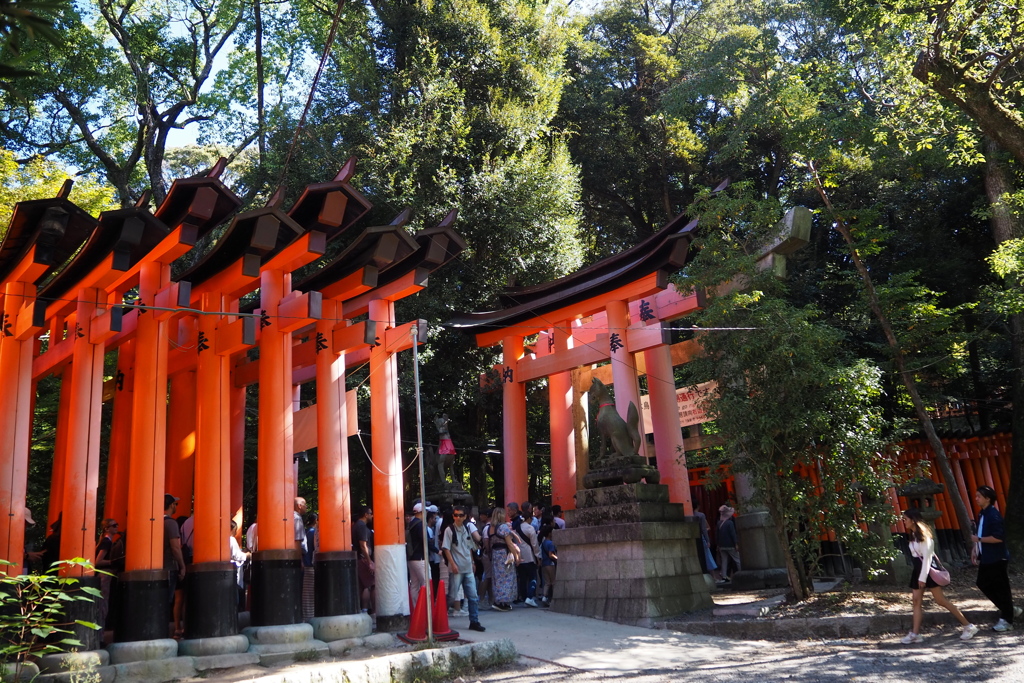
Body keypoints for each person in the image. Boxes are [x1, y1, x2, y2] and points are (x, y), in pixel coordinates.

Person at [900, 508, 977, 643]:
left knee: (940, 600)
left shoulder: (925, 538)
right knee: (916, 602)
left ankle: (968, 626)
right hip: (918, 570)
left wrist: (922, 578)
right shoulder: (912, 536)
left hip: (926, 571)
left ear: (912, 520)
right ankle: (915, 633)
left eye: (905, 519)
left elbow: (928, 559)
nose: (903, 521)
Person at [971, 485, 1020, 631]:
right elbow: (980, 533)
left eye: (979, 496)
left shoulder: (994, 515)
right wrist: (975, 549)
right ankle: (1010, 610)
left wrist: (978, 540)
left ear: (988, 499)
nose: (976, 498)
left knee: (1001, 588)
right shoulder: (982, 514)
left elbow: (998, 538)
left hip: (997, 557)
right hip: (987, 557)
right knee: (983, 583)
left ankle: (1007, 619)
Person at [441, 505, 485, 632]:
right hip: (456, 568)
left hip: (467, 567)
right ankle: (440, 620)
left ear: (465, 517)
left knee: (473, 596)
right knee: (451, 596)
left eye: (460, 515)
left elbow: (469, 546)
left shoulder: (466, 528)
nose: (458, 518)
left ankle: (474, 621)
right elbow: (446, 548)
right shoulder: (449, 530)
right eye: (456, 515)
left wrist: (472, 562)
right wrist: (453, 564)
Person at [163, 494, 186, 638]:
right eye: (175, 504)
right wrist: (182, 566)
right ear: (172, 505)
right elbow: (175, 547)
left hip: (156, 567)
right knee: (168, 600)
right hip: (169, 566)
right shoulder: (171, 523)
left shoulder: (153, 521)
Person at [488, 507, 519, 611]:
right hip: (504, 554)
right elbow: (509, 543)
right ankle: (503, 601)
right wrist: (516, 556)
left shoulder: (490, 528)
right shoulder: (503, 527)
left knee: (497, 578)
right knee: (507, 578)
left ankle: (498, 600)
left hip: (495, 554)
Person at [513, 501, 541, 607]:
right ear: (529, 519)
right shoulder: (530, 528)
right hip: (529, 556)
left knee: (522, 578)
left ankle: (524, 597)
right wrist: (538, 556)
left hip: (519, 556)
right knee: (533, 577)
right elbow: (534, 544)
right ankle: (530, 597)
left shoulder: (515, 528)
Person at [95, 518, 119, 625]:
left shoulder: (105, 541)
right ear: (107, 529)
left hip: (102, 574)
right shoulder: (107, 542)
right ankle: (100, 634)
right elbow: (98, 561)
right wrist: (113, 561)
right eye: (114, 526)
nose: (117, 527)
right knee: (103, 604)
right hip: (104, 574)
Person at [693, 500, 723, 583]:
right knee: (708, 557)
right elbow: (704, 529)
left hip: (693, 538)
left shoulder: (690, 514)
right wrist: (707, 540)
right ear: (698, 506)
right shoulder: (701, 515)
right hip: (701, 537)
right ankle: (713, 577)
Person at [352, 505, 375, 613]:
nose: (372, 515)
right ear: (366, 515)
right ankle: (369, 610)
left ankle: (362, 609)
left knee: (362, 585)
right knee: (370, 585)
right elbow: (363, 545)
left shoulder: (356, 525)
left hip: (358, 559)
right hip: (363, 559)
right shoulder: (362, 527)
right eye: (370, 513)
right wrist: (369, 561)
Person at [407, 503, 430, 608]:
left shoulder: (411, 524)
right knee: (426, 582)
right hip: (420, 558)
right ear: (422, 512)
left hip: (411, 558)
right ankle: (426, 607)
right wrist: (436, 550)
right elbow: (425, 541)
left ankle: (417, 608)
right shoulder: (420, 525)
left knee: (414, 585)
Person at [229, 520, 250, 611]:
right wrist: (247, 555)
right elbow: (236, 555)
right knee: (235, 595)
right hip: (234, 571)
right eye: (235, 529)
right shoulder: (231, 539)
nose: (236, 532)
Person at [716, 504, 741, 581]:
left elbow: (717, 534)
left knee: (724, 561)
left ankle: (724, 576)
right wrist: (736, 543)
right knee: (737, 559)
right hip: (730, 544)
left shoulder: (719, 523)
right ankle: (741, 573)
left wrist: (718, 544)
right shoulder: (730, 523)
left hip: (722, 545)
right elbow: (733, 534)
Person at [538, 520, 557, 608]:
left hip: (544, 564)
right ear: (549, 533)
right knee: (553, 582)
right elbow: (551, 554)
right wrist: (558, 558)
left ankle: (544, 597)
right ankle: (553, 598)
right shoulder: (550, 543)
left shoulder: (543, 542)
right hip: (550, 564)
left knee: (547, 582)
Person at [302, 510, 317, 620]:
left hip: (304, 563)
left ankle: (306, 615)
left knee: (306, 593)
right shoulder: (313, 532)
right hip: (310, 564)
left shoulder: (306, 531)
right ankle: (309, 617)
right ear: (316, 521)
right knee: (310, 594)